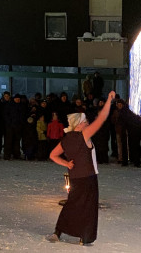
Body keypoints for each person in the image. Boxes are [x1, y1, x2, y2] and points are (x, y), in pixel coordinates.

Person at [46, 91, 116, 245]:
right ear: (79, 124)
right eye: (85, 121)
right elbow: (102, 118)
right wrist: (109, 100)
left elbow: (53, 155)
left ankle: (58, 231)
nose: (88, 123)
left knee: (72, 204)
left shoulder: (67, 139)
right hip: (88, 177)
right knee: (88, 208)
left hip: (75, 177)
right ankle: (85, 236)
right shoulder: (83, 135)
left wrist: (67, 164)